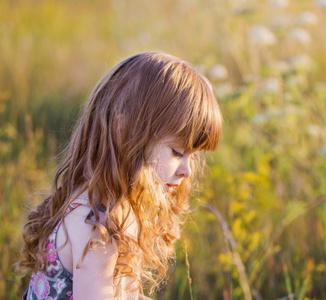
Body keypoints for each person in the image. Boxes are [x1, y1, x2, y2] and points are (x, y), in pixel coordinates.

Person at [15, 51, 222, 299]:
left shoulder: (108, 209)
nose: (186, 171)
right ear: (124, 133)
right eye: (177, 152)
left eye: (193, 155)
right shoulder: (97, 232)